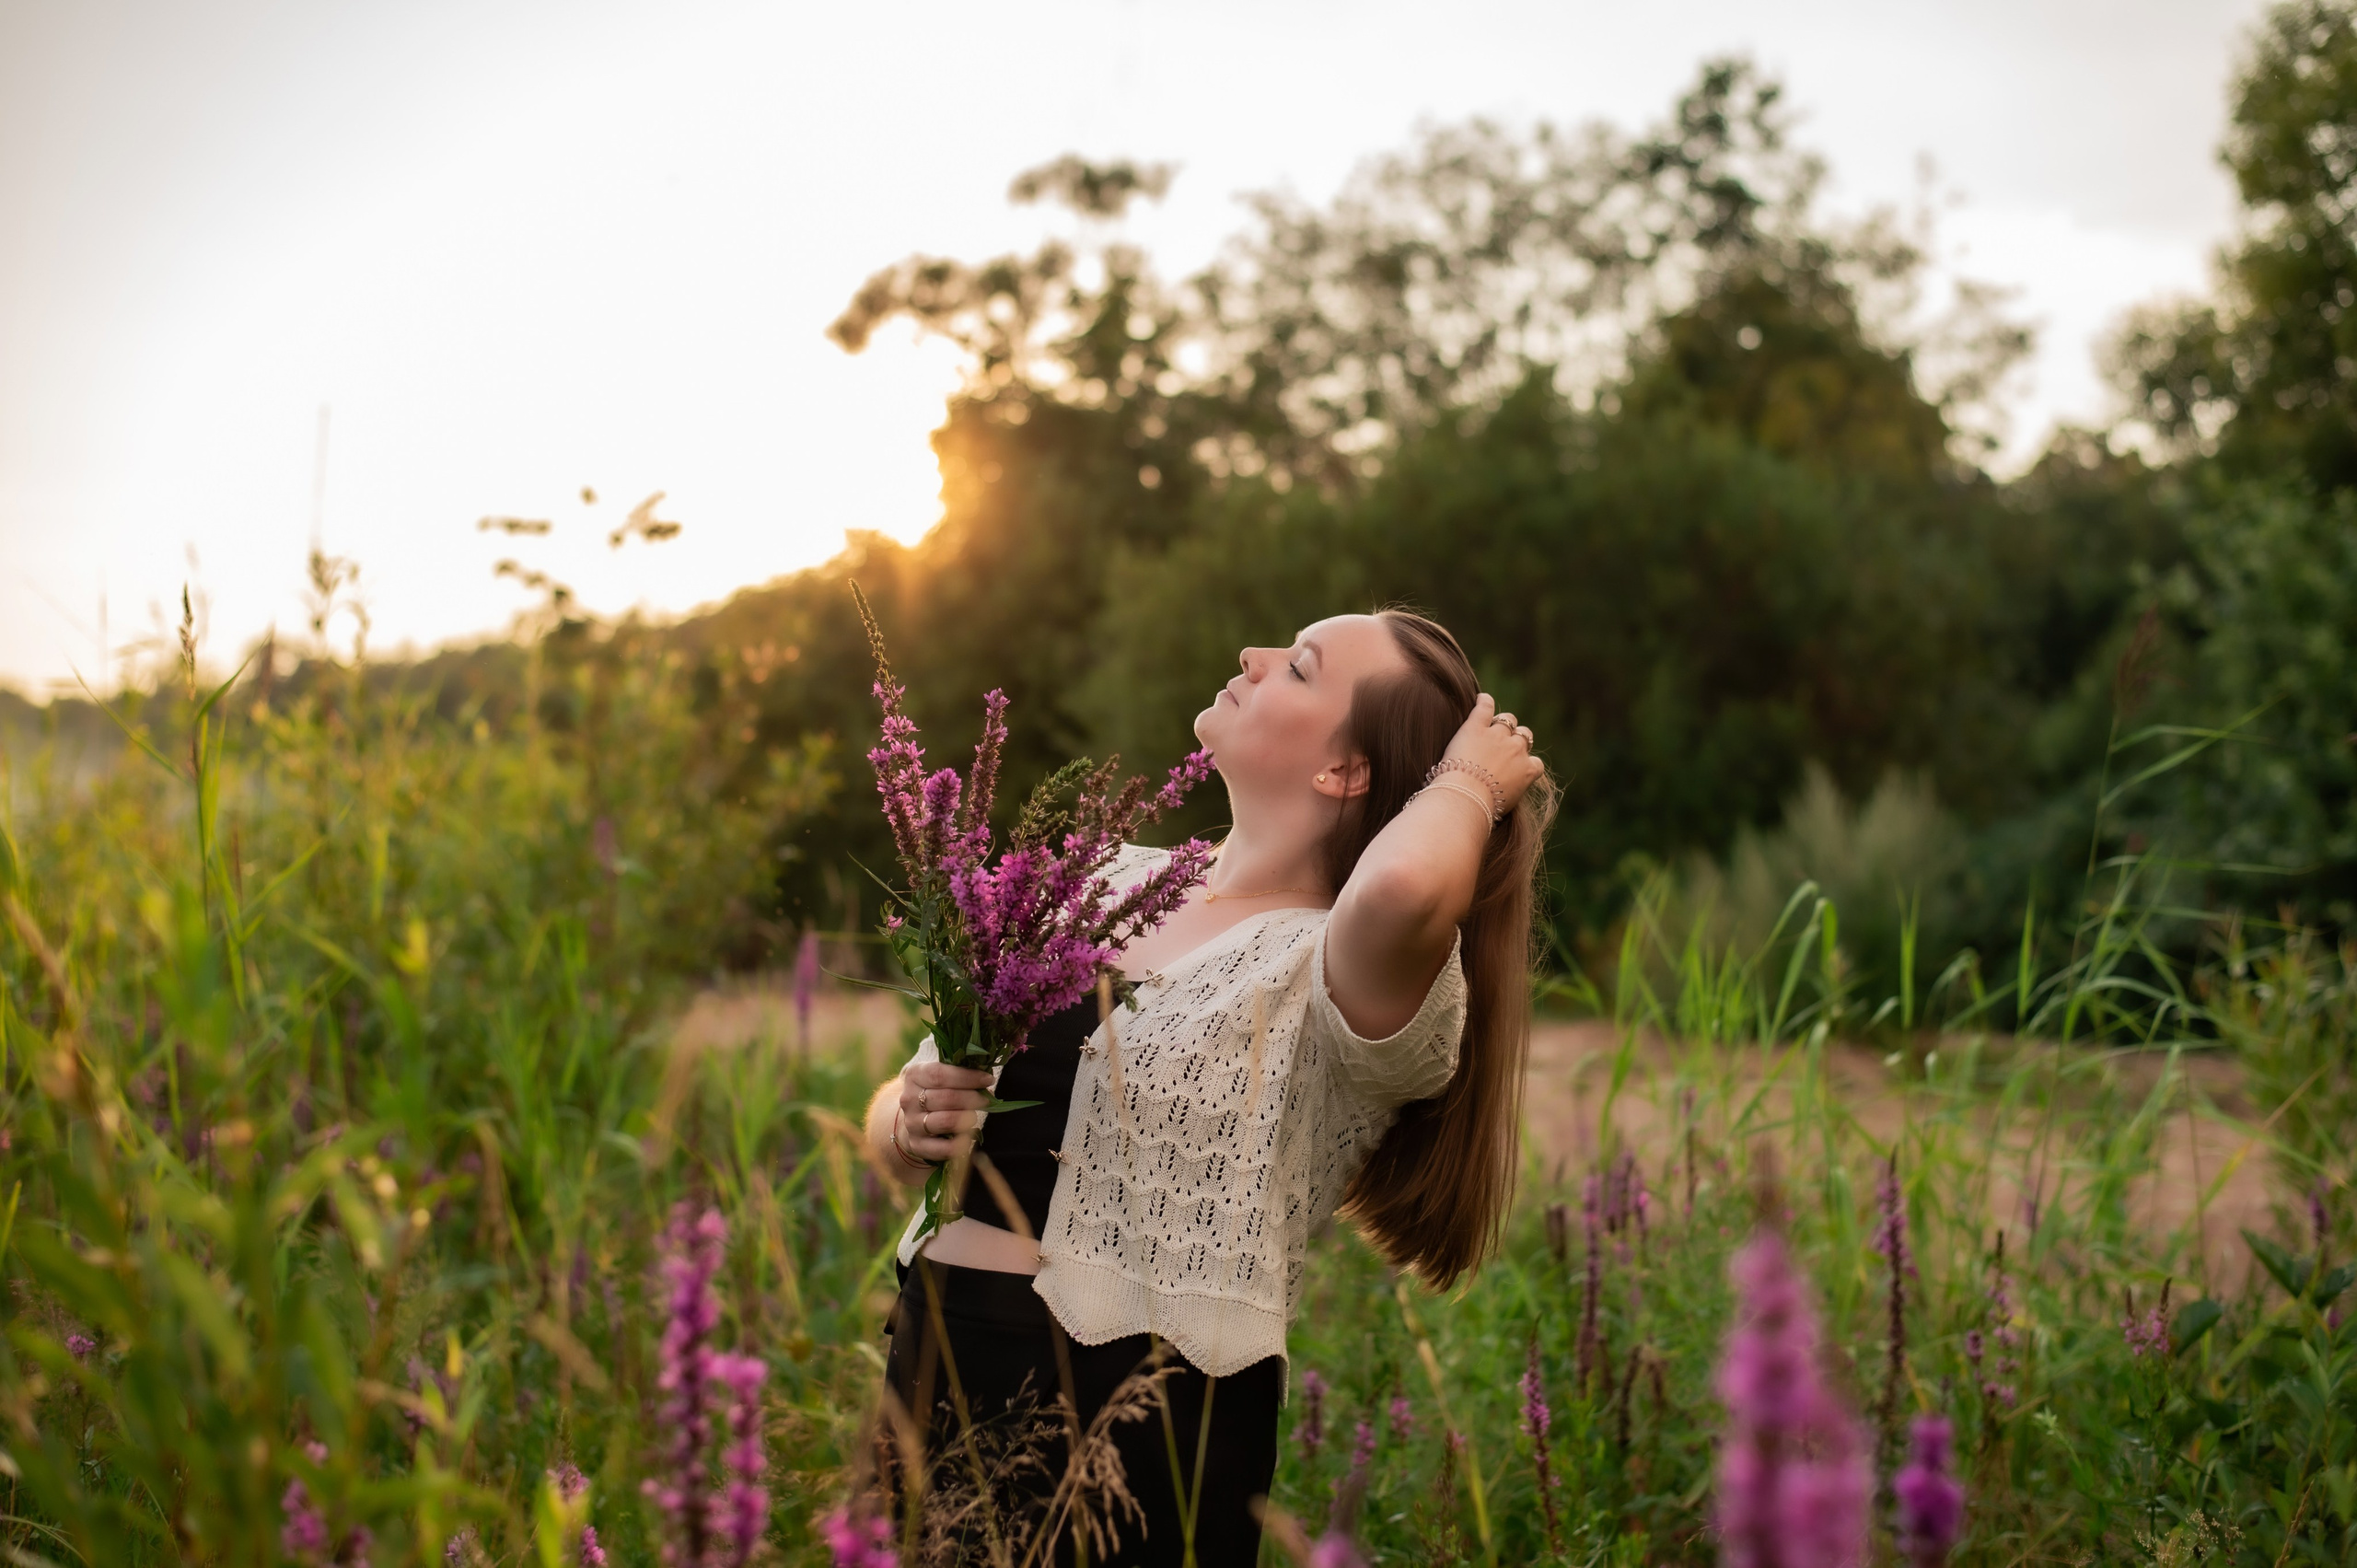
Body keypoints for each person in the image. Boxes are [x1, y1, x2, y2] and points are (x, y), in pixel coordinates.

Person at [861, 609, 1555, 1564]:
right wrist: (905, 1119)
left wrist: (1470, 779)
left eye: (1299, 666)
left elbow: (1399, 889)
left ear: (1344, 771)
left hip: (1132, 1420)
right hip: (935, 1360)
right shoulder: (1092, 877)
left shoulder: (1335, 963)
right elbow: (903, 1099)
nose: (1251, 656)